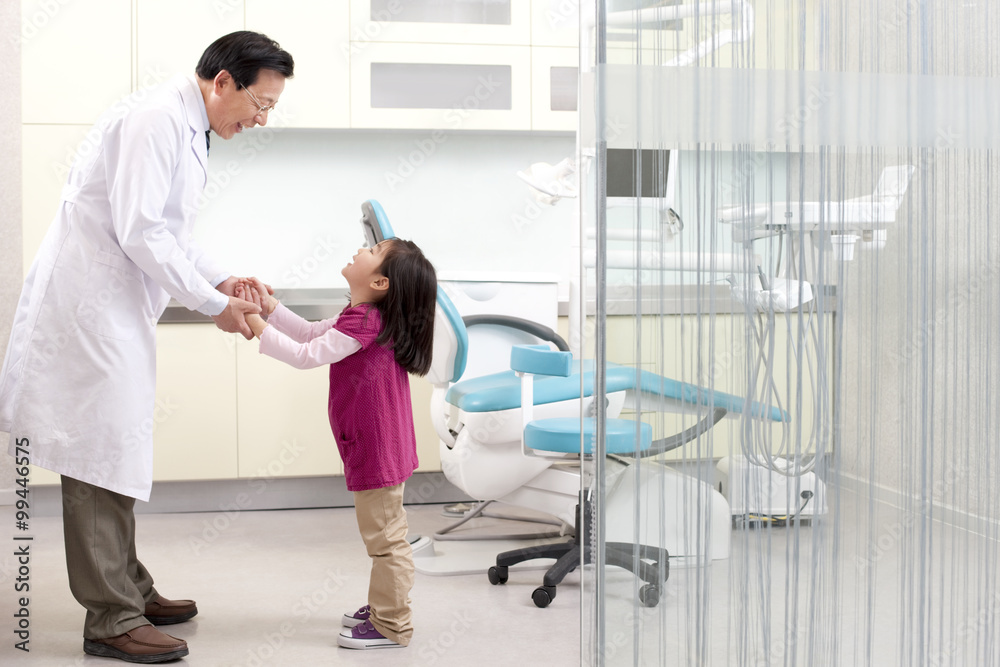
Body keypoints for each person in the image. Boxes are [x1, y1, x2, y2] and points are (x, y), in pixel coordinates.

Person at [0, 32, 293, 663]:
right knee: (95, 454)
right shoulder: (155, 119)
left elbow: (172, 232)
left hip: (115, 310)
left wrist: (222, 280)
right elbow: (142, 232)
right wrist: (212, 304)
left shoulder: (187, 128)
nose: (262, 120)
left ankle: (129, 587)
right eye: (261, 104)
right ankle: (111, 618)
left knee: (118, 449)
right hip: (87, 312)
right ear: (223, 82)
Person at [236, 237, 437, 650]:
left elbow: (305, 355)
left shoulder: (366, 321)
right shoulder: (364, 316)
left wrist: (253, 321)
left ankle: (391, 624)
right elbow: (312, 334)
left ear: (380, 282)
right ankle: (385, 603)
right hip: (380, 445)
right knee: (384, 534)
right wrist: (270, 307)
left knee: (386, 540)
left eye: (372, 251)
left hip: (377, 450)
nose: (361, 250)